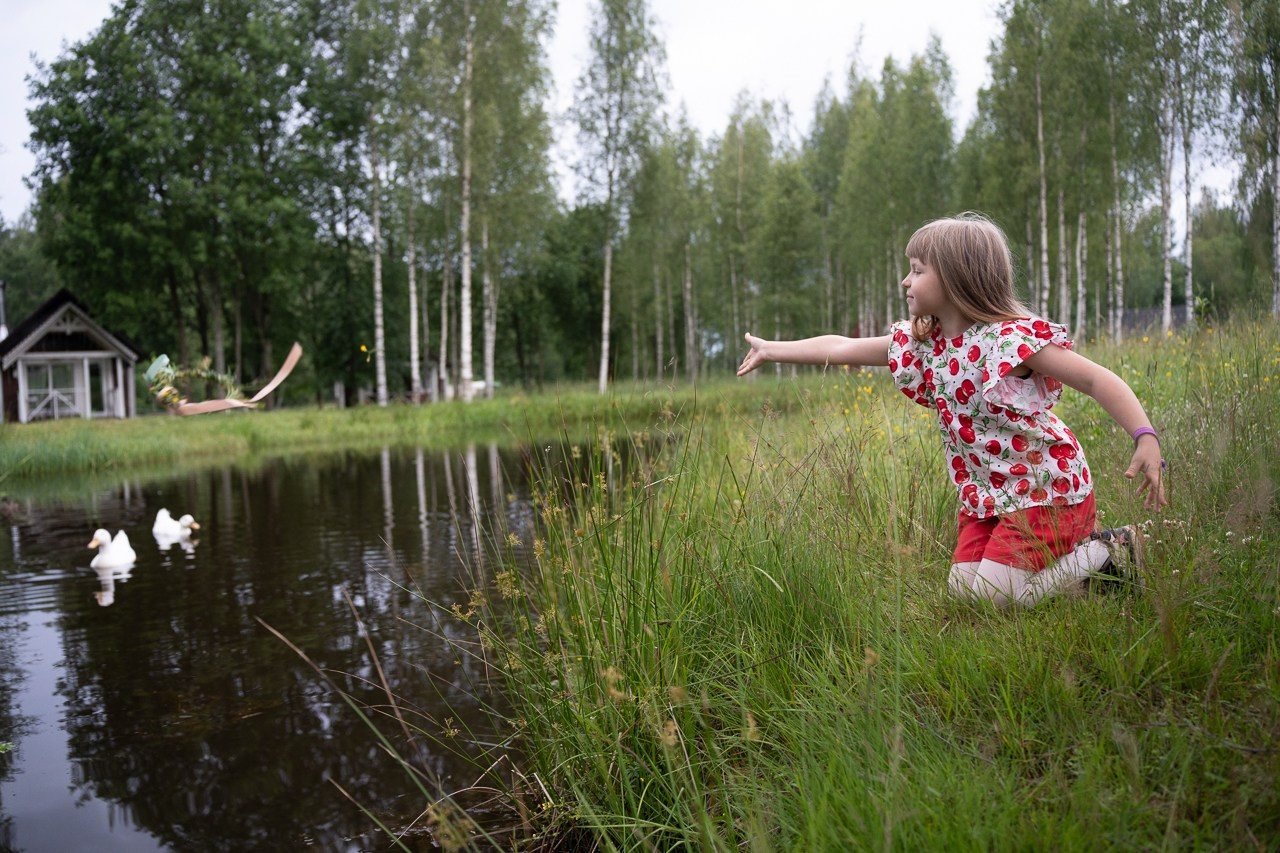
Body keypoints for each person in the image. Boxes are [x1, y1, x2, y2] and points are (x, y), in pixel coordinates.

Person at [736, 213, 1167, 608]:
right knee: (964, 597)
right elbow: (840, 346)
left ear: (958, 279)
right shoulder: (922, 344)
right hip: (990, 495)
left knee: (998, 599)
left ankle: (1114, 547)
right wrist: (773, 350)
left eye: (918, 270)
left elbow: (1097, 380)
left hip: (1044, 488)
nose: (906, 281)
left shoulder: (1007, 341)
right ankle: (1100, 579)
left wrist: (1144, 436)